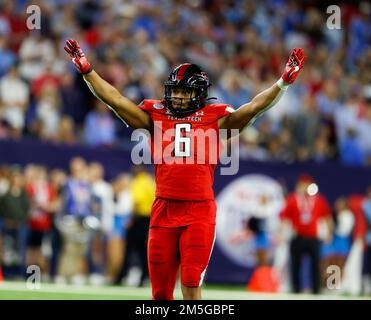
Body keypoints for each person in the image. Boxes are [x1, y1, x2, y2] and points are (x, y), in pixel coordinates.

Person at [64, 39, 306, 300]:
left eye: (184, 92)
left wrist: (282, 82)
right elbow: (116, 100)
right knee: (160, 293)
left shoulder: (215, 117)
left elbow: (254, 108)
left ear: (198, 93)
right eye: (175, 91)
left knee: (190, 284)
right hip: (164, 209)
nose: (177, 97)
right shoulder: (156, 115)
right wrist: (87, 70)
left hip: (198, 211)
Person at [279, 174, 332, 294]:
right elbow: (284, 218)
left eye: (308, 185)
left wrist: (329, 232)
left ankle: (316, 290)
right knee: (295, 264)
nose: (305, 187)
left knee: (316, 264)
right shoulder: (293, 199)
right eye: (303, 185)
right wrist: (281, 234)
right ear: (299, 185)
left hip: (313, 237)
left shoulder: (318, 199)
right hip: (297, 236)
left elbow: (327, 216)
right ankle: (295, 289)